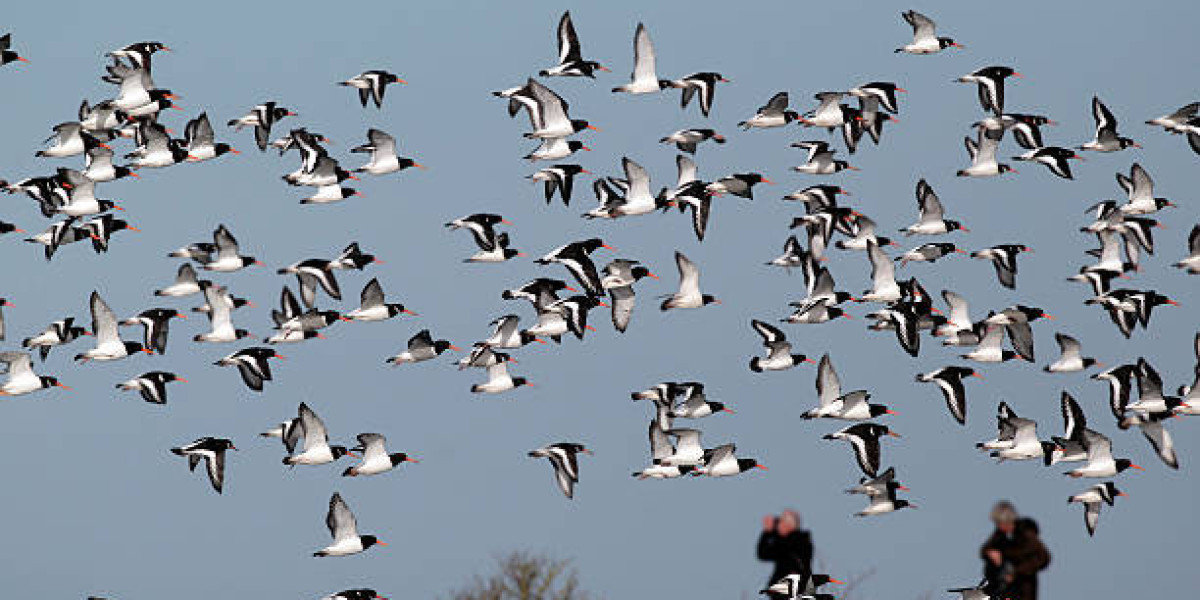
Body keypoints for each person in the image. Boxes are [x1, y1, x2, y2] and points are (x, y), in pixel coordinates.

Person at [980, 502, 1050, 600]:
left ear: (1008, 520)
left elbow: (1044, 558)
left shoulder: (1026, 535)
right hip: (1002, 590)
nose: (998, 526)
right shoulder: (999, 535)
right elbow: (984, 550)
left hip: (1023, 591)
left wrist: (1016, 572)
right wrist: (990, 553)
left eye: (999, 523)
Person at [757, 509, 814, 586]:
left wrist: (769, 532)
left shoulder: (799, 541)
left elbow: (771, 551)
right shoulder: (792, 541)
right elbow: (763, 554)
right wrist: (767, 532)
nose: (778, 526)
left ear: (789, 525)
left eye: (781, 522)